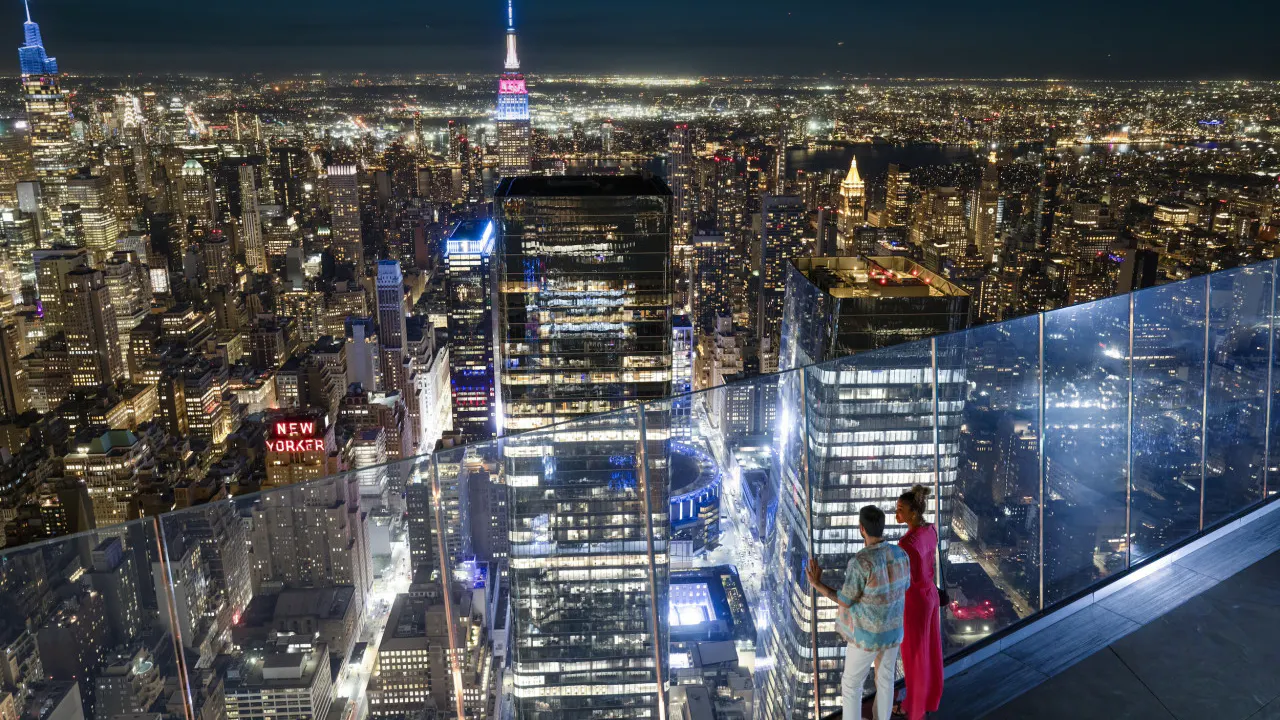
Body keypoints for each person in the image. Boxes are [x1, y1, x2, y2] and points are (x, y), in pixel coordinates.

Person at [807, 505, 911, 720]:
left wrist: (818, 584)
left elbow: (845, 600)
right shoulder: (901, 554)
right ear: (882, 527)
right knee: (885, 679)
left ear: (861, 528)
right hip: (893, 631)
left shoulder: (862, 562)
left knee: (851, 684)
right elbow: (905, 586)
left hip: (866, 634)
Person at [895, 484, 944, 719]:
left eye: (901, 509)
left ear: (913, 512)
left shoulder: (906, 545)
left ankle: (912, 707)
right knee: (931, 650)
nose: (897, 514)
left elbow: (906, 580)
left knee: (914, 656)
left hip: (915, 601)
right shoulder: (931, 530)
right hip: (931, 595)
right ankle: (930, 698)